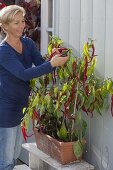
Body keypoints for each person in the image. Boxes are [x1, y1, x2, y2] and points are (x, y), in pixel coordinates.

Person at [0, 5, 68, 170]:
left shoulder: (28, 43)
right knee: (6, 160)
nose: (22, 25)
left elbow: (40, 65)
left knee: (14, 155)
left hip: (20, 106)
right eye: (16, 22)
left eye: (22, 21)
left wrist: (54, 58)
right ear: (5, 26)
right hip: (6, 107)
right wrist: (52, 64)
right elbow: (23, 74)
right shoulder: (3, 51)